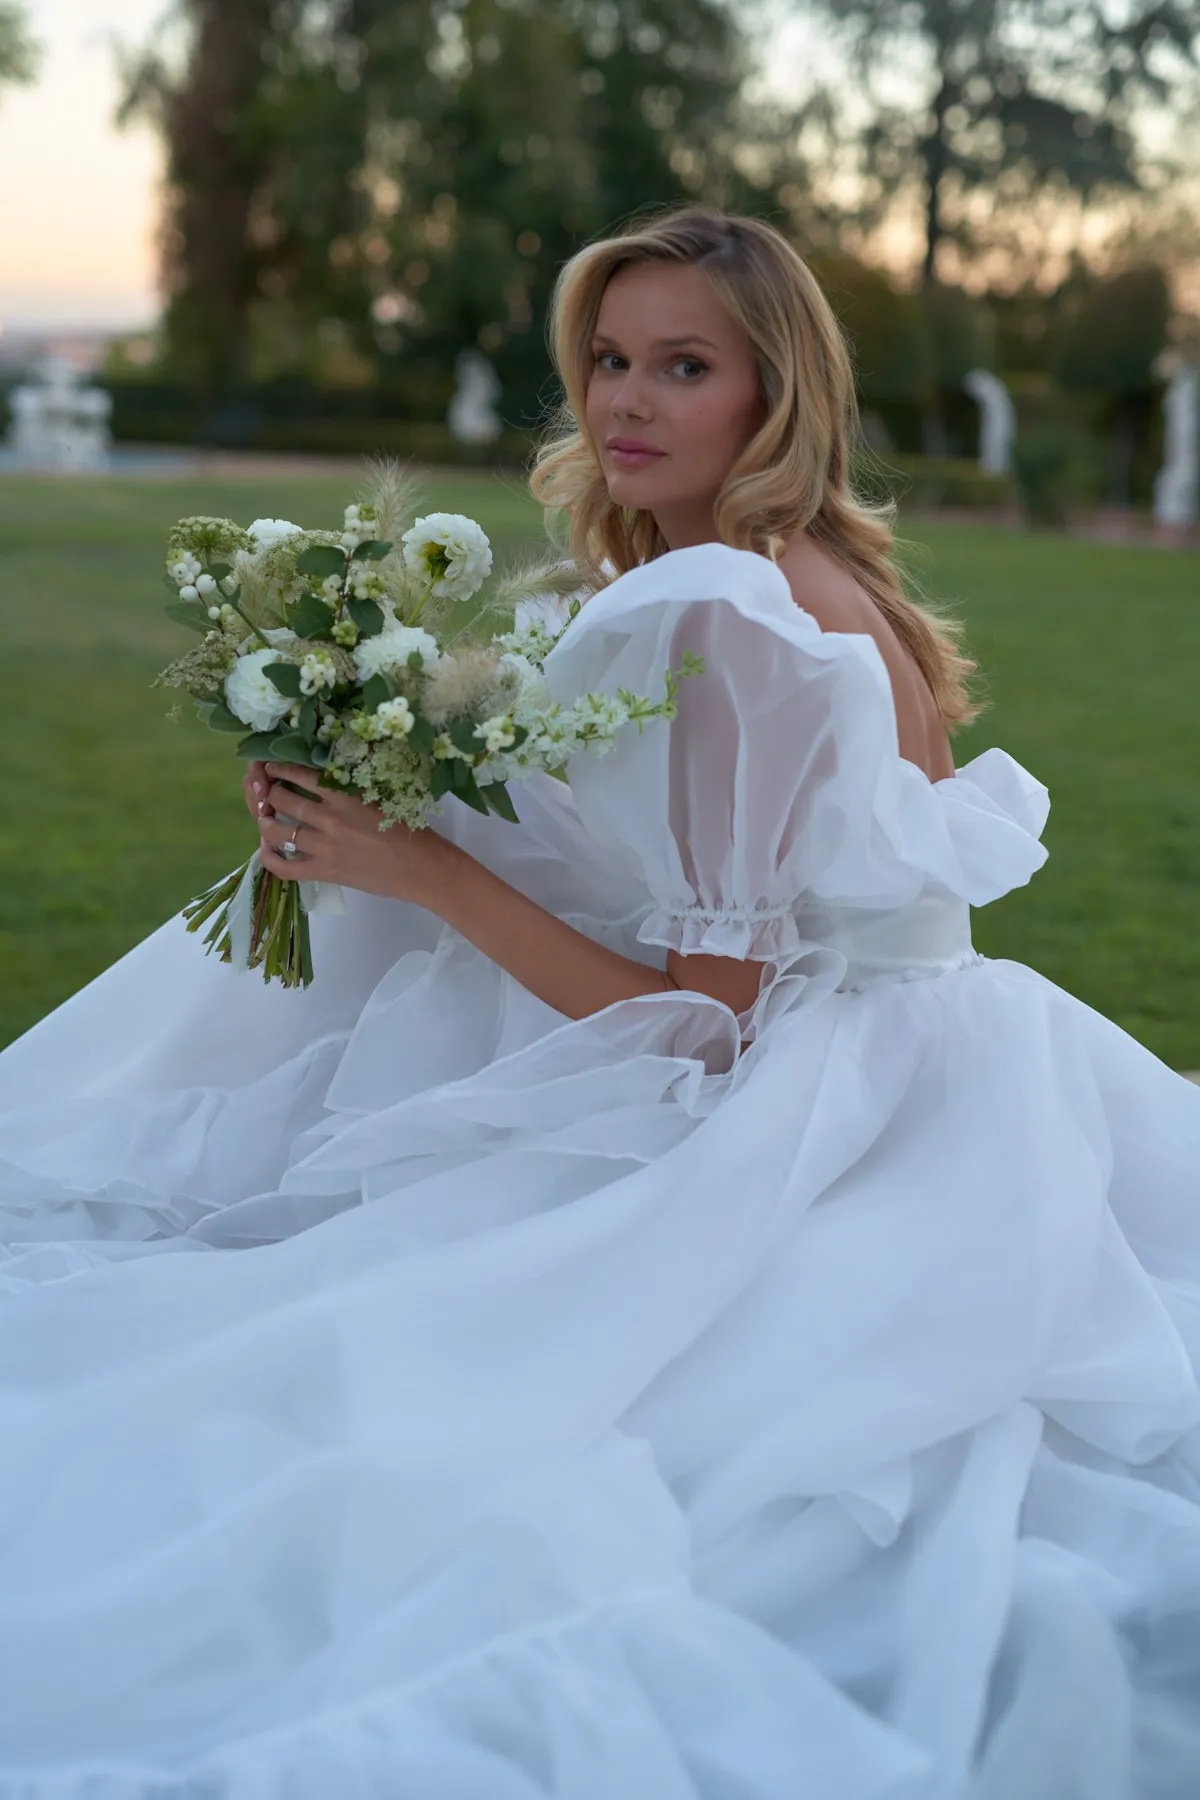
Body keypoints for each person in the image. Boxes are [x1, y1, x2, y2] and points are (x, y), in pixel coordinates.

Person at [1, 205, 1198, 1800]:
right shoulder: (816, 574)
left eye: (684, 367)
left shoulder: (730, 607)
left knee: (339, 1378)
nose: (626, 402)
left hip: (819, 1109)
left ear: (777, 397)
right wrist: (394, 811)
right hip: (940, 1048)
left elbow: (708, 1031)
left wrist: (425, 871)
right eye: (610, 361)